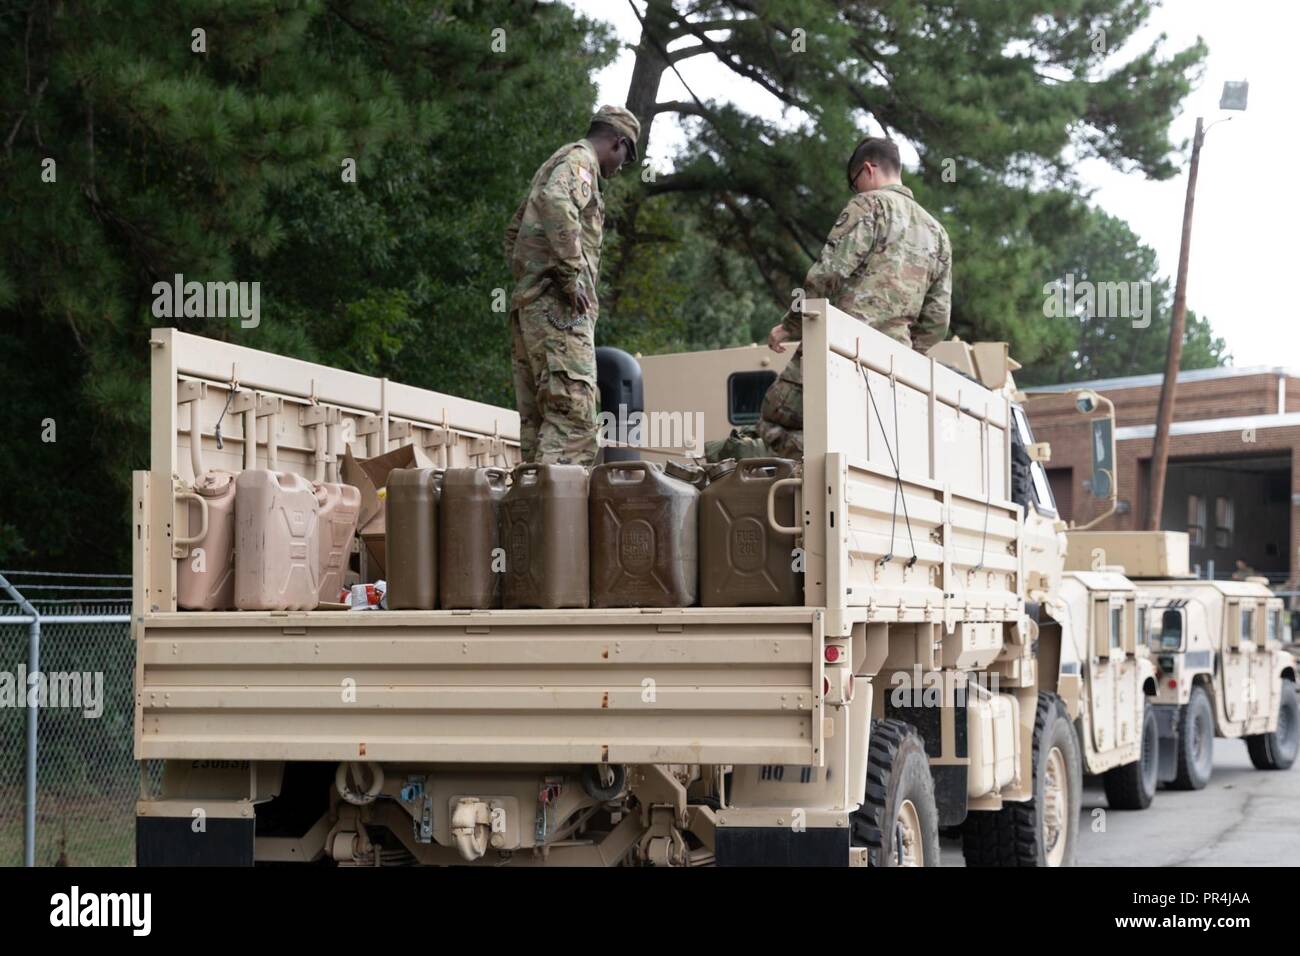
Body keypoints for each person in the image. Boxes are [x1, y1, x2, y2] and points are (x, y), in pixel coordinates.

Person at [758, 136, 952, 458]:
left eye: (855, 183)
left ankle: (811, 484)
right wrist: (905, 355)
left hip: (841, 350)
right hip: (893, 368)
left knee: (772, 418)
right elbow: (937, 319)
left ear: (867, 169)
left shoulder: (870, 205)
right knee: (863, 437)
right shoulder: (938, 234)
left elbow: (827, 273)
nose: (857, 190)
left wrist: (790, 325)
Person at [504, 105, 641, 467]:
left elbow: (514, 233)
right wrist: (569, 276)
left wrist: (531, 281)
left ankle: (531, 513)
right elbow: (557, 202)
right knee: (574, 421)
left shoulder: (556, 162)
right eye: (626, 157)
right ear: (617, 142)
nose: (621, 167)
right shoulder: (581, 163)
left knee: (540, 423)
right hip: (558, 309)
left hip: (533, 307)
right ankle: (556, 520)